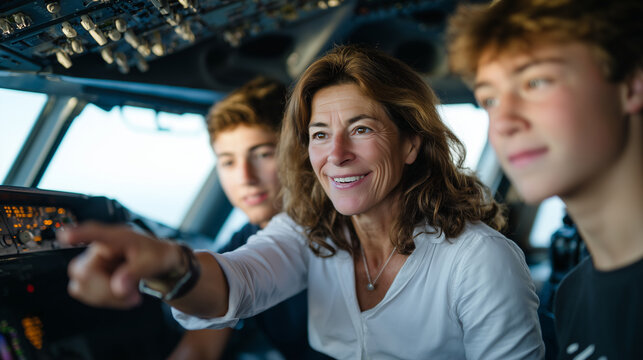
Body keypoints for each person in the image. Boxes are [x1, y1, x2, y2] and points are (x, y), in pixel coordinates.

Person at [58, 45, 544, 359]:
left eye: (361, 129)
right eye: (319, 134)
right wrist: (167, 265)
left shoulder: (479, 261)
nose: (336, 155)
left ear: (411, 144)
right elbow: (235, 285)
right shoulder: (309, 232)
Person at [446, 0, 643, 359]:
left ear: (631, 85)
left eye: (536, 82)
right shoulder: (573, 294)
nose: (503, 122)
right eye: (489, 100)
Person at [167, 77, 326, 359]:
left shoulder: (339, 226)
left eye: (263, 154)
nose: (245, 178)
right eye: (228, 161)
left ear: (299, 153)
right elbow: (201, 347)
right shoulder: (243, 241)